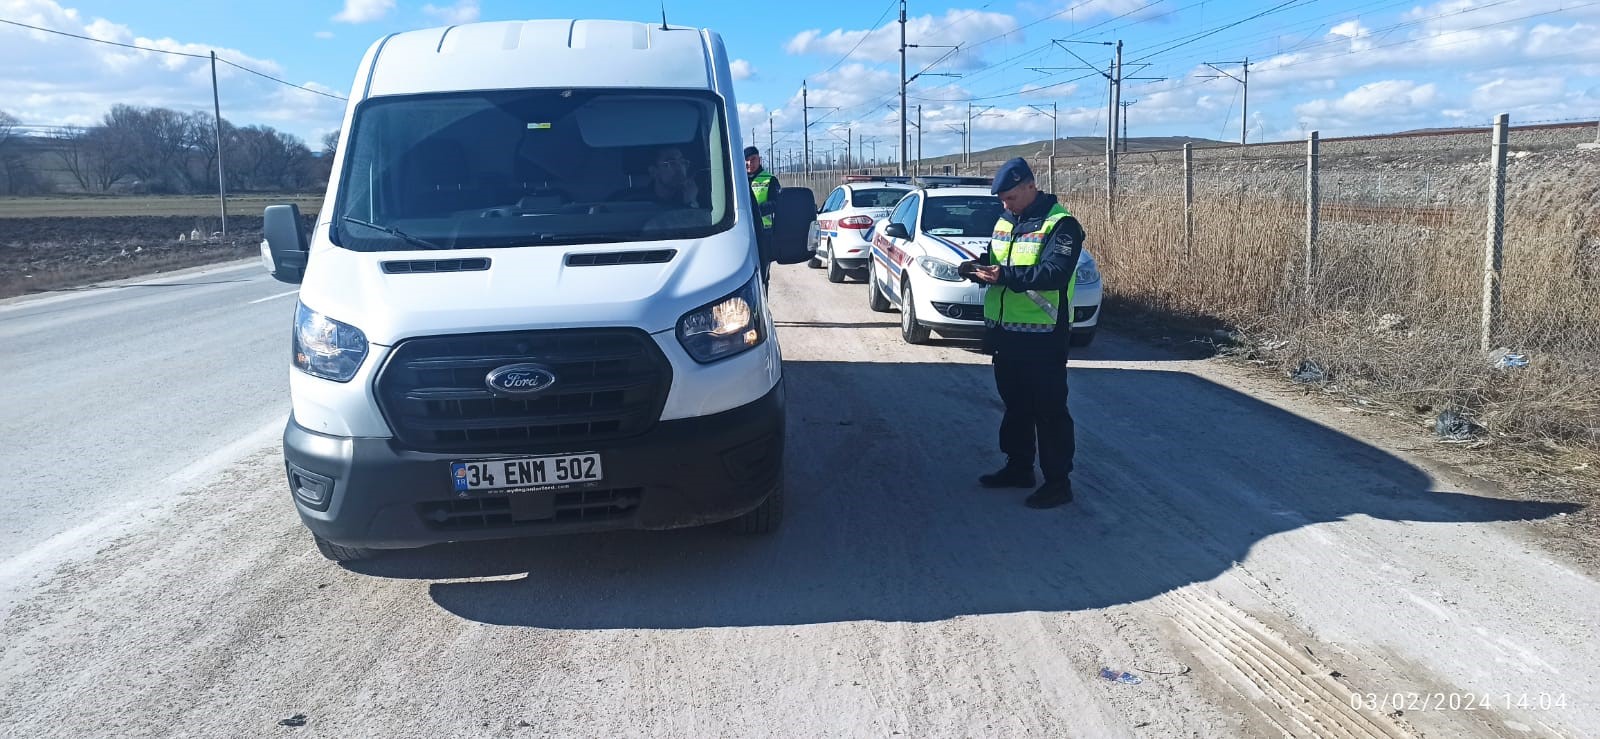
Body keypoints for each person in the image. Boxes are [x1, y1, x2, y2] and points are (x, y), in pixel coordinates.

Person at [957, 157, 1087, 510]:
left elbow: (1053, 274)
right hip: (1006, 334)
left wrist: (1004, 276)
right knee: (1015, 406)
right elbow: (997, 258)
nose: (1005, 204)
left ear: (1031, 185)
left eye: (1011, 197)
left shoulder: (1062, 225)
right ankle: (1018, 467)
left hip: (1043, 337)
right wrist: (975, 268)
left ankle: (1058, 482)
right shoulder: (1006, 221)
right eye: (1002, 198)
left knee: (1049, 411)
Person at [614, 144, 701, 208]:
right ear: (653, 171)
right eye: (671, 163)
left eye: (682, 162)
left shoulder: (699, 197)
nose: (679, 168)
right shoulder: (631, 200)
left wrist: (691, 202)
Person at [745, 146, 780, 230]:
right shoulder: (739, 180)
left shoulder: (770, 179)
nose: (749, 163)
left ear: (759, 160)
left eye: (753, 159)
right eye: (746, 159)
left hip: (765, 230)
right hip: (744, 228)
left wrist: (756, 210)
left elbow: (777, 203)